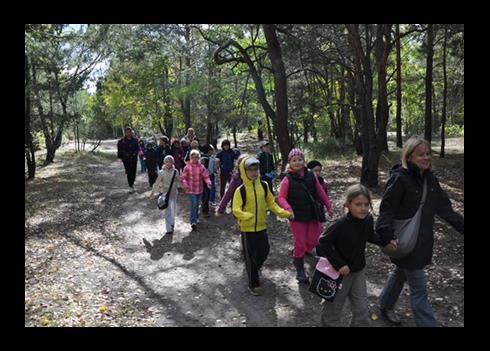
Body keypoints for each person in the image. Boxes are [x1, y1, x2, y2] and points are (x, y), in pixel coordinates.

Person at [375, 136, 464, 327]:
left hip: (421, 242)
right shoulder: (400, 179)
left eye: (427, 154)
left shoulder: (430, 180)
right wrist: (386, 236)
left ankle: (384, 304)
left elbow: (446, 209)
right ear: (409, 157)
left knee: (401, 272)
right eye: (420, 155)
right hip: (403, 241)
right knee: (419, 289)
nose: (425, 158)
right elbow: (387, 210)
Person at [316, 184, 398, 327]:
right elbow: (323, 241)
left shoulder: (367, 220)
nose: (363, 208)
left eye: (366, 204)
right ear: (348, 204)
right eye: (358, 204)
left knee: (362, 309)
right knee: (333, 309)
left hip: (358, 270)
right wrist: (339, 264)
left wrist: (386, 242)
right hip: (338, 274)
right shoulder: (340, 224)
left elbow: (370, 235)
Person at [232, 156, 292, 296]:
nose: (253, 172)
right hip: (247, 229)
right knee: (251, 257)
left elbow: (271, 203)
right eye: (250, 170)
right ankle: (254, 283)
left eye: (256, 169)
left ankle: (255, 269)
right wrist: (246, 216)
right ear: (244, 171)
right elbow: (236, 209)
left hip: (261, 226)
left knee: (264, 251)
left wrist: (285, 213)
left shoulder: (264, 186)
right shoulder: (240, 190)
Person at [277, 148, 332, 284]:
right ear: (289, 162)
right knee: (300, 242)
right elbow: (281, 198)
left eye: (299, 159)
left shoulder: (310, 175)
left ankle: (299, 251)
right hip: (297, 216)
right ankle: (300, 270)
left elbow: (320, 191)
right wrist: (288, 209)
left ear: (304, 161)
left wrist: (328, 206)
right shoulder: (287, 179)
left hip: (313, 213)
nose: (297, 162)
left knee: (314, 240)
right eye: (294, 160)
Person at [149, 155, 181, 235]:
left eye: (170, 161)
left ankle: (172, 222)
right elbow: (157, 183)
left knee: (173, 209)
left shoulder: (175, 171)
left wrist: (185, 188)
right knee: (168, 210)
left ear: (172, 162)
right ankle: (168, 228)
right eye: (167, 161)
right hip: (165, 194)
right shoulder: (161, 172)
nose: (168, 163)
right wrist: (153, 192)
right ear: (164, 162)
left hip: (174, 193)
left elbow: (179, 181)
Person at [181, 150, 212, 231]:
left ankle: (196, 217)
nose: (195, 159)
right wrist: (185, 185)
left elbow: (206, 176)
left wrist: (208, 182)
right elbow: (183, 177)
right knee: (193, 205)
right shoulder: (187, 167)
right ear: (191, 157)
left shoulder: (201, 167)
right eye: (193, 157)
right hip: (190, 189)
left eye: (196, 157)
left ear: (199, 158)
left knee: (197, 205)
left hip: (199, 189)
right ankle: (193, 222)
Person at [117, 126, 140, 193]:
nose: (128, 133)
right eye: (126, 132)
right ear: (125, 133)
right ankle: (130, 186)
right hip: (126, 159)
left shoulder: (135, 140)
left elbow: (137, 148)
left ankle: (132, 183)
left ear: (131, 132)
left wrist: (135, 154)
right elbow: (120, 150)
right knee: (129, 172)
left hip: (133, 159)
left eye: (129, 132)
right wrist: (120, 157)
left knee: (133, 173)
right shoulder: (121, 141)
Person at [200, 144, 218, 216]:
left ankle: (204, 207)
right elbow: (209, 169)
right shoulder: (205, 159)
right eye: (212, 150)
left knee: (205, 193)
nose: (213, 151)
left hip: (205, 177)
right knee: (206, 193)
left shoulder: (203, 157)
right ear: (209, 151)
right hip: (207, 178)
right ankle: (205, 210)